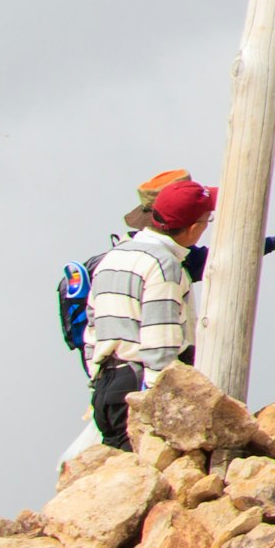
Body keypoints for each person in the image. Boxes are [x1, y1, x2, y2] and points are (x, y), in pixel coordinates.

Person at [81, 172, 216, 449]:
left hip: (106, 388)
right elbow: (160, 344)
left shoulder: (115, 256)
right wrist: (159, 407)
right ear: (192, 228)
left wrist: (97, 380)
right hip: (138, 388)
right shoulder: (164, 265)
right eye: (206, 221)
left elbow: (92, 327)